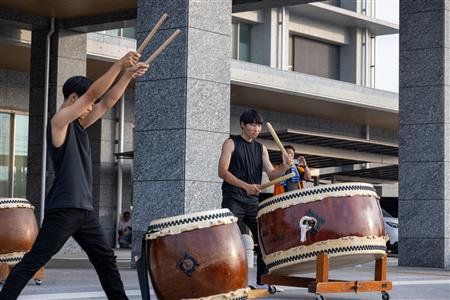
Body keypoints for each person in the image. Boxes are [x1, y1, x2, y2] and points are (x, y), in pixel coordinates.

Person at [0, 51, 149, 300]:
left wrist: (127, 75)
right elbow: (94, 96)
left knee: (106, 261)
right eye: (85, 103)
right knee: (34, 260)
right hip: (64, 209)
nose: (90, 108)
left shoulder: (79, 125)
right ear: (73, 98)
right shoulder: (58, 123)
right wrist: (119, 63)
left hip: (84, 211)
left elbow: (107, 102)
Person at [218, 109, 292, 293]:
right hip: (233, 199)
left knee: (265, 238)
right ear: (242, 124)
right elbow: (222, 172)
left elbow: (272, 174)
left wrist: (284, 165)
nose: (256, 128)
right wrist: (244, 186)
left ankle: (262, 280)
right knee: (231, 241)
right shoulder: (231, 143)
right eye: (252, 124)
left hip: (252, 202)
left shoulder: (261, 148)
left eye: (258, 125)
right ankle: (229, 281)